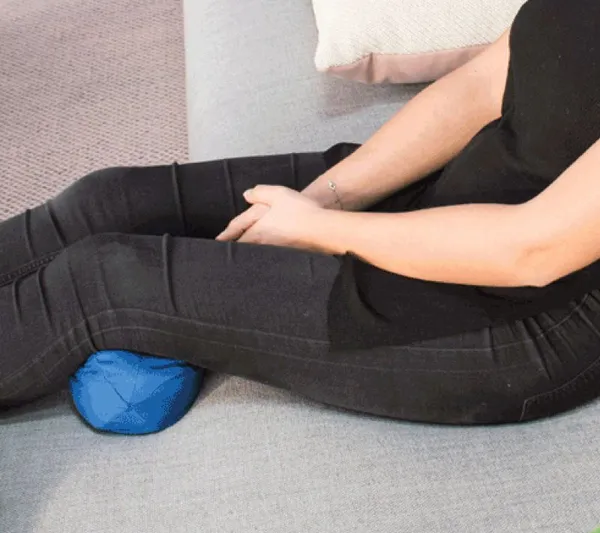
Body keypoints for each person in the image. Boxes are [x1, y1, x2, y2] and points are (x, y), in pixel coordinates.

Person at [2, 0, 600, 425]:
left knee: (101, 282)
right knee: (108, 199)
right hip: (464, 182)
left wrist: (321, 230)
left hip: (520, 314)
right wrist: (326, 196)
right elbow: (485, 83)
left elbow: (533, 249)